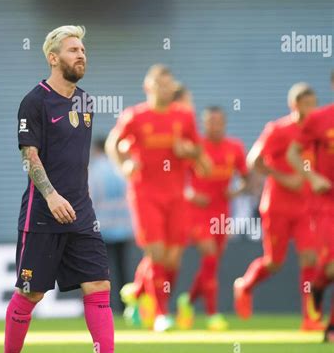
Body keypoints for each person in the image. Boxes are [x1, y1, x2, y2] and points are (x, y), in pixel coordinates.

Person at [0, 25, 153, 353]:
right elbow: (29, 156)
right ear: (53, 58)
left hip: (82, 214)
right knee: (31, 291)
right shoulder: (34, 101)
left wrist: (78, 201)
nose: (81, 55)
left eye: (82, 49)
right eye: (72, 50)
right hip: (42, 213)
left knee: (98, 285)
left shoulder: (86, 100)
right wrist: (51, 195)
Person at [106, 64, 207, 332]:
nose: (164, 88)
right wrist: (125, 165)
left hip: (176, 195)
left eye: (168, 84)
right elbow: (114, 143)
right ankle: (161, 313)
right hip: (145, 193)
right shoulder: (135, 116)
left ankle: (139, 291)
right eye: (159, 83)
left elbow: (198, 149)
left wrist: (188, 151)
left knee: (173, 259)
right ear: (148, 87)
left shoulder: (183, 117)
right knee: (157, 252)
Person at [234, 83, 324, 331]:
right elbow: (254, 161)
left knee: (311, 258)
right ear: (293, 105)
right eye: (306, 104)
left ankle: (310, 317)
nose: (311, 109)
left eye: (313, 103)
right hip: (277, 206)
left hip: (307, 207)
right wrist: (284, 178)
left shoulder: (318, 130)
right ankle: (245, 285)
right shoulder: (278, 130)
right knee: (275, 262)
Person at [177, 106, 248, 331]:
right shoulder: (196, 149)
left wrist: (235, 192)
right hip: (197, 211)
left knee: (211, 263)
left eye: (218, 121)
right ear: (203, 124)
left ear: (224, 123)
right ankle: (212, 313)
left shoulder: (235, 147)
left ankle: (187, 302)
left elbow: (247, 178)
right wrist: (190, 194)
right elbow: (180, 180)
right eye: (209, 122)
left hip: (221, 212)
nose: (214, 126)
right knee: (209, 254)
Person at [287, 74, 334, 343]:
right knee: (330, 268)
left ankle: (331, 328)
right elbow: (294, 153)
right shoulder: (319, 119)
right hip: (326, 201)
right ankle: (316, 288)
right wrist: (313, 177)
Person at [88, 138, 134, 312]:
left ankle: (104, 305)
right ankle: (124, 306)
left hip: (102, 227)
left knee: (102, 271)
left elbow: (90, 197)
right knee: (123, 268)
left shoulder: (95, 171)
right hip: (123, 225)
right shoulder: (121, 169)